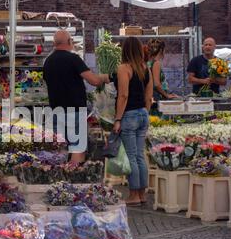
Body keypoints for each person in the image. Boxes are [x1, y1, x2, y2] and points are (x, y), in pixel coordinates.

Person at [43, 29, 110, 164]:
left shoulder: (48, 61)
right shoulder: (73, 58)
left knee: (59, 149)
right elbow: (94, 81)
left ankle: (60, 180)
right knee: (77, 148)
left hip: (56, 111)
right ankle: (74, 179)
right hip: (75, 111)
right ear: (69, 42)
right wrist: (104, 77)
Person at [113, 37, 153, 205]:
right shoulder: (146, 69)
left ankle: (134, 195)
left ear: (125, 50)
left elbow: (123, 95)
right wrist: (144, 114)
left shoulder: (124, 68)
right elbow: (149, 97)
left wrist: (117, 119)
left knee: (130, 157)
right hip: (143, 113)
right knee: (140, 156)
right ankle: (142, 194)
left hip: (128, 114)